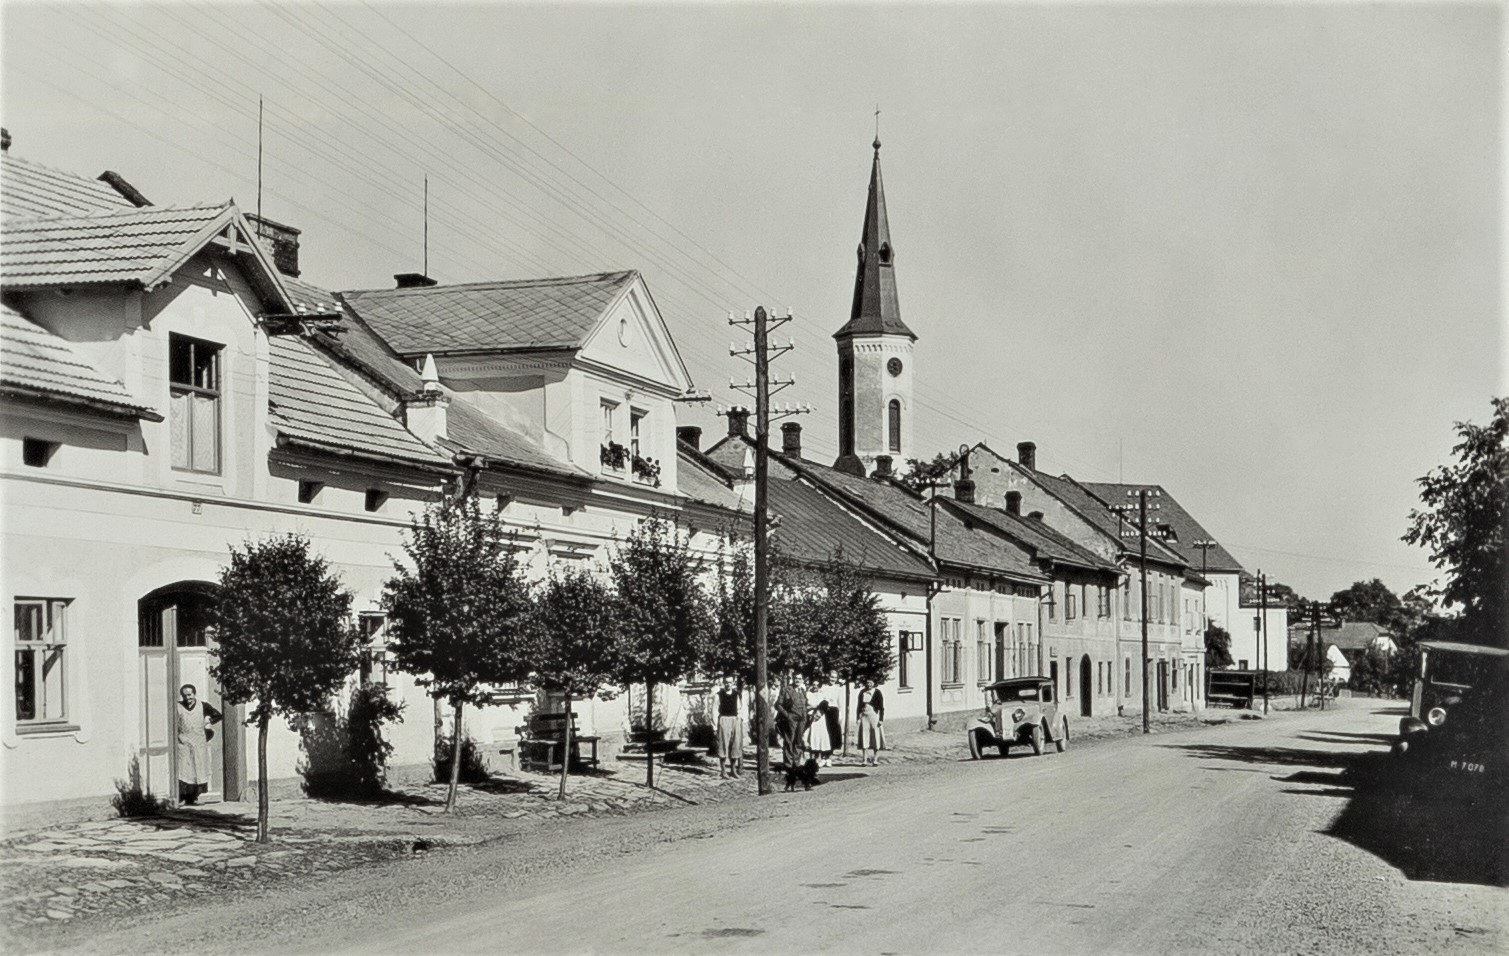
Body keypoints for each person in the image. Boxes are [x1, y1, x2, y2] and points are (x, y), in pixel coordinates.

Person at [175, 684, 222, 805]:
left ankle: (195, 797)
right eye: (185, 695)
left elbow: (218, 715)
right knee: (184, 771)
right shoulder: (178, 706)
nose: (187, 698)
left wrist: (209, 720)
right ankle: (183, 798)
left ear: (194, 694)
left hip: (198, 742)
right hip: (183, 743)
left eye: (189, 695)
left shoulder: (203, 706)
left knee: (198, 769)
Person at [774, 678, 808, 770]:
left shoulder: (803, 690)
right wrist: (787, 715)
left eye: (800, 679)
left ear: (802, 680)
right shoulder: (786, 689)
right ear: (793, 679)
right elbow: (778, 705)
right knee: (789, 740)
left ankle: (796, 763)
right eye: (796, 678)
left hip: (802, 719)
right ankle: (788, 764)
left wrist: (805, 716)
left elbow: (805, 704)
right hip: (791, 719)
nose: (798, 680)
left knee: (798, 741)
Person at [714, 676, 744, 779]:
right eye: (726, 682)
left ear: (733, 683)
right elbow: (714, 711)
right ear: (723, 683)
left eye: (730, 682)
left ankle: (733, 770)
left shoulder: (737, 694)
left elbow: (740, 709)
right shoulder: (718, 695)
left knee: (735, 745)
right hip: (723, 719)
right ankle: (723, 771)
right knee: (723, 745)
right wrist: (715, 726)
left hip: (735, 720)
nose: (728, 684)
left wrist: (739, 720)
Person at [856, 681, 882, 766]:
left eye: (871, 683)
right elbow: (859, 705)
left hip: (874, 715)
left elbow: (881, 706)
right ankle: (864, 760)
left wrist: (881, 719)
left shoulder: (877, 692)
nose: (869, 684)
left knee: (875, 736)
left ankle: (875, 759)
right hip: (864, 716)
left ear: (874, 683)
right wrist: (857, 717)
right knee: (864, 736)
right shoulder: (862, 692)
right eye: (867, 682)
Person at [805, 698, 833, 767]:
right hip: (813, 718)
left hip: (822, 720)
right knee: (814, 738)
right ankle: (814, 760)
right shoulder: (809, 695)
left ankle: (824, 758)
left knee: (821, 738)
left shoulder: (823, 696)